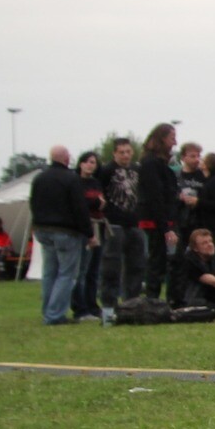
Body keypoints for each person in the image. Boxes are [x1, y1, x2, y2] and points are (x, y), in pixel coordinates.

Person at [28, 146, 90, 326]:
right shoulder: (71, 178)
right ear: (66, 158)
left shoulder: (39, 178)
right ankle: (55, 315)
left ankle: (47, 310)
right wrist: (88, 232)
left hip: (42, 229)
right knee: (67, 274)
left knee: (49, 272)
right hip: (65, 231)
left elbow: (33, 202)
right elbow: (79, 207)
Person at [99, 137, 146, 313]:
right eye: (121, 152)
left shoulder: (137, 169)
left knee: (137, 264)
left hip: (134, 222)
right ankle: (109, 304)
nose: (125, 155)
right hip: (113, 223)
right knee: (112, 265)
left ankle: (132, 302)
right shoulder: (106, 170)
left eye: (128, 152)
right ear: (114, 153)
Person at [135, 124, 179, 299]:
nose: (175, 142)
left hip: (161, 219)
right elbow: (155, 196)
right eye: (172, 138)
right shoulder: (151, 164)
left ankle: (158, 298)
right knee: (156, 261)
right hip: (154, 220)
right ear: (162, 139)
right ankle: (152, 299)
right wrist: (165, 227)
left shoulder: (160, 164)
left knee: (162, 260)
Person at [72, 151, 106, 322]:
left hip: (98, 226)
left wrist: (99, 204)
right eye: (88, 162)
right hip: (83, 228)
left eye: (94, 162)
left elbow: (102, 203)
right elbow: (81, 204)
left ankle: (92, 305)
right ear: (81, 163)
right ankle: (80, 307)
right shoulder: (75, 182)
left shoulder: (96, 183)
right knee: (81, 270)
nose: (91, 165)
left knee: (94, 270)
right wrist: (95, 203)